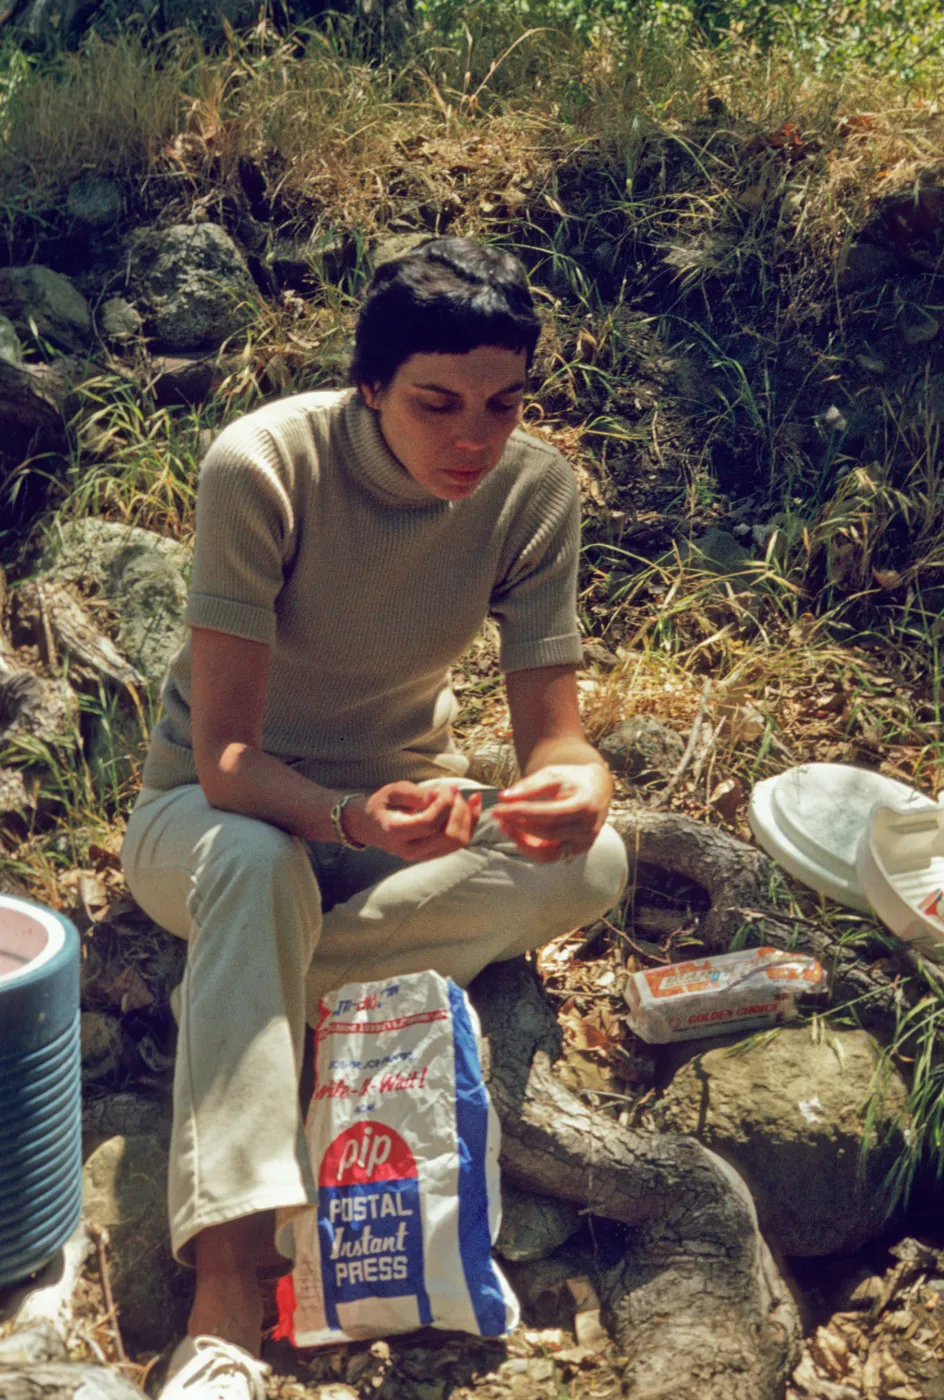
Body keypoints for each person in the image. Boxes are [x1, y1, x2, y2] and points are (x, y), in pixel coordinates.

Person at [121, 236, 628, 1400]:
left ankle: (251, 991)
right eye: (436, 403)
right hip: (212, 818)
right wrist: (348, 817)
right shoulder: (262, 466)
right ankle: (227, 1292)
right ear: (369, 387)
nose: (473, 437)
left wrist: (576, 777)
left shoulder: (532, 489)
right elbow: (228, 756)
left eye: (501, 405)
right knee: (252, 862)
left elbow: (553, 732)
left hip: (405, 817)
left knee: (595, 860)